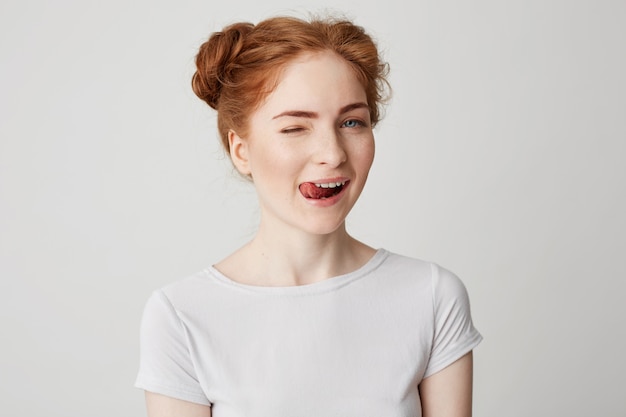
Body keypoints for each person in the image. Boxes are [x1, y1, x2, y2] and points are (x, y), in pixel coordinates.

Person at [135, 14, 482, 417]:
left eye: (352, 122)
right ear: (240, 150)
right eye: (295, 128)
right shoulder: (181, 315)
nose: (333, 153)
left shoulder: (432, 297)